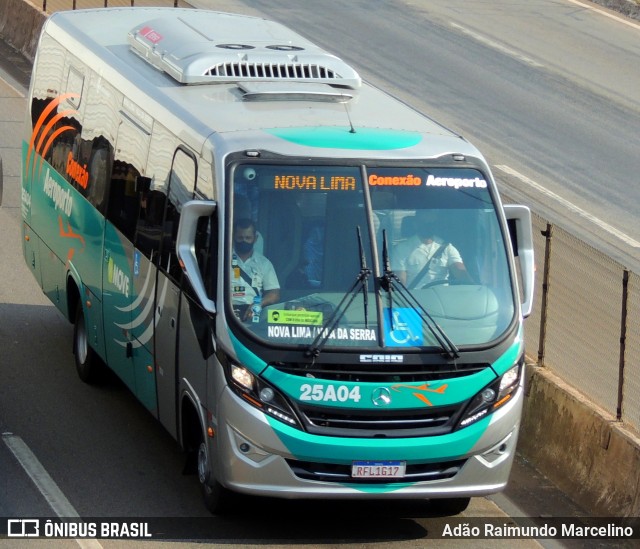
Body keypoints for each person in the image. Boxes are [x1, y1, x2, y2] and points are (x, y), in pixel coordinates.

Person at [392, 210, 470, 288]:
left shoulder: (447, 247)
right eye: (424, 222)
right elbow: (400, 285)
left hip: (443, 297)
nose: (428, 226)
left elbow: (460, 272)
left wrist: (474, 286)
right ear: (415, 224)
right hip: (413, 298)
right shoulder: (402, 249)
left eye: (431, 223)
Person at [231, 218, 280, 322]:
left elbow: (274, 293)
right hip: (227, 313)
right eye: (240, 237)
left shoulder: (264, 264)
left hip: (253, 315)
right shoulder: (223, 260)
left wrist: (259, 304)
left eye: (248, 238)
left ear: (255, 238)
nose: (244, 241)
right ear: (233, 237)